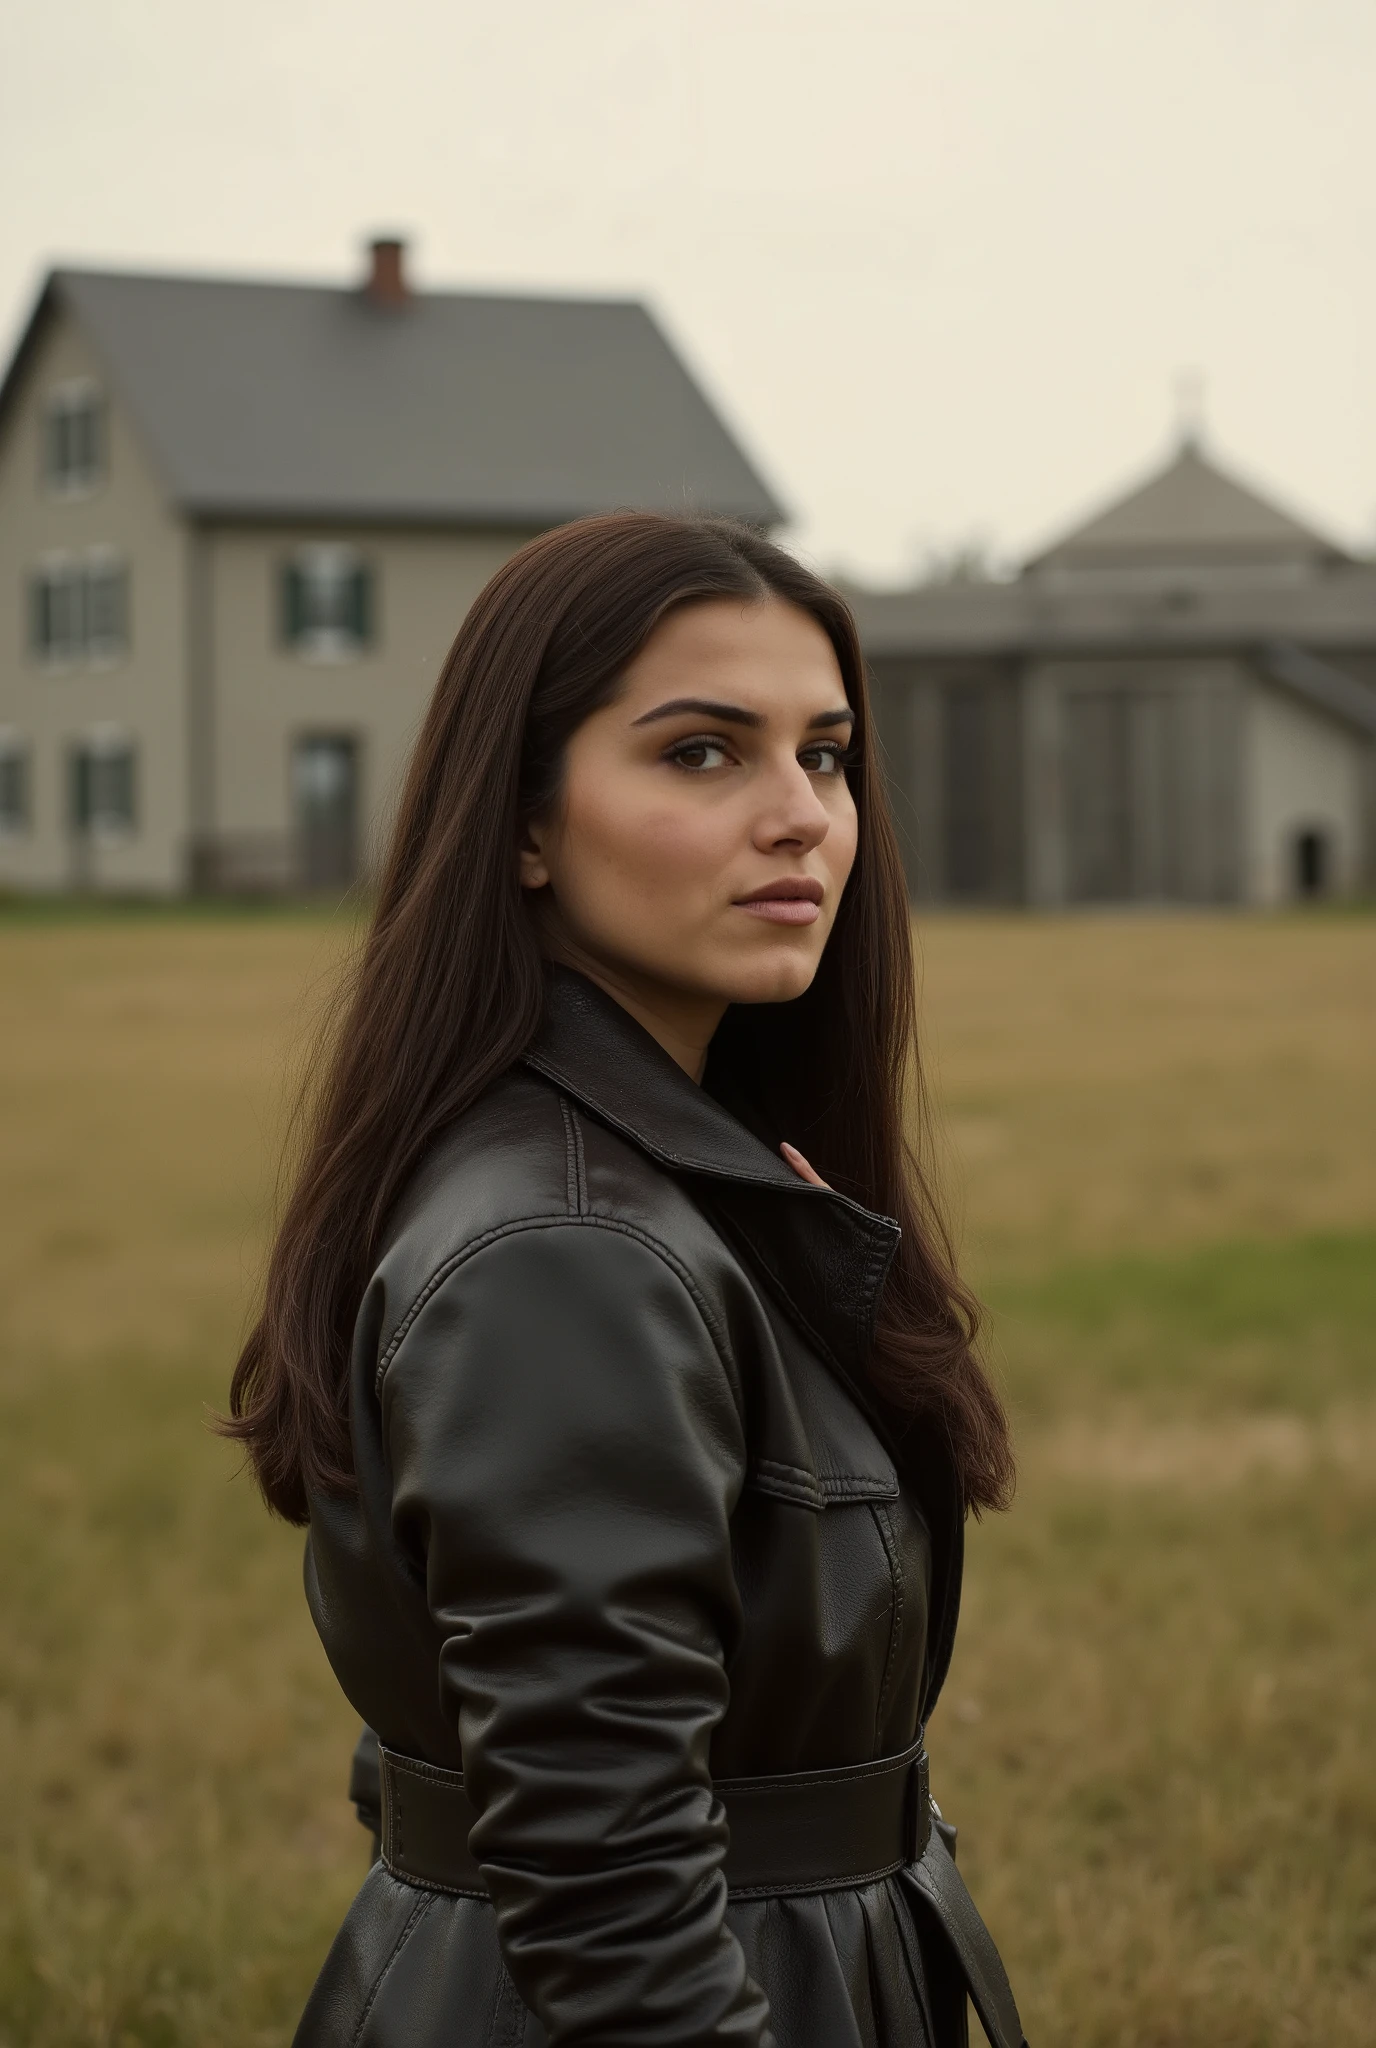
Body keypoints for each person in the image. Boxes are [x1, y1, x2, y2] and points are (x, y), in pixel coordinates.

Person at [227, 514, 1026, 2048]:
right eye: (704, 754)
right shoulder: (566, 1252)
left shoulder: (688, 1164)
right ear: (526, 819)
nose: (801, 816)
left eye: (828, 754)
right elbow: (608, 1899)